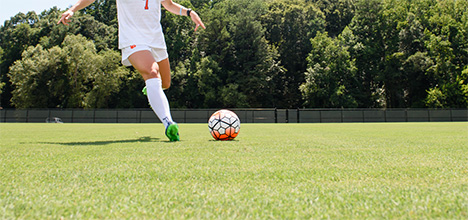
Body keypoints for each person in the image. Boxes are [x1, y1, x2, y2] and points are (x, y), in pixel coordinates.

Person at [58, 0, 205, 141]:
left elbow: (168, 4)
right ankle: (169, 123)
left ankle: (151, 89)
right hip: (133, 38)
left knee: (165, 83)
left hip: (156, 39)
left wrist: (189, 12)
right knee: (152, 71)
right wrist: (72, 9)